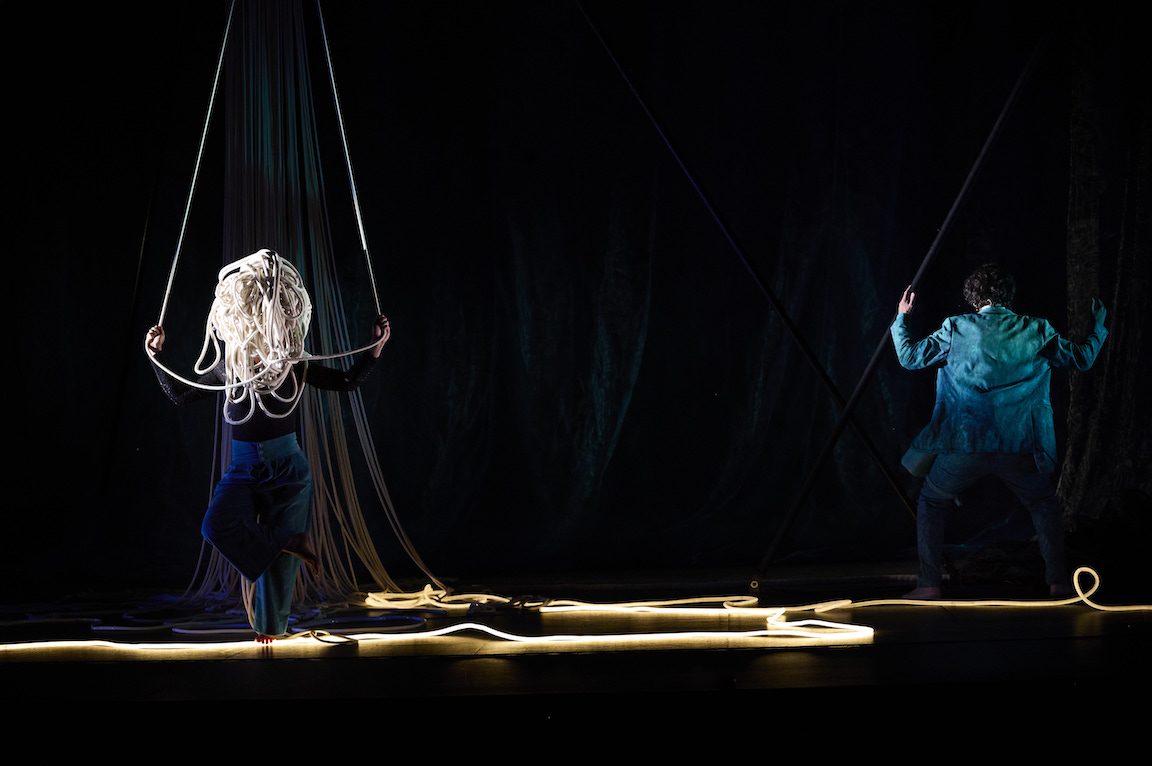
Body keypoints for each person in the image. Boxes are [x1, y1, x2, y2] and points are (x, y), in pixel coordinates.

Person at [146, 249, 390, 641]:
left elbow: (346, 382)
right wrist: (156, 357)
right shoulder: (231, 365)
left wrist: (375, 349)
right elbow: (180, 395)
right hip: (244, 468)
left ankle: (271, 629)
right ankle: (290, 541)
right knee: (216, 525)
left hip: (288, 467)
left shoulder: (294, 362)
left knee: (281, 568)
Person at [890, 263, 1108, 599]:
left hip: (966, 444)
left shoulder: (956, 328)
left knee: (932, 503)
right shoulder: (1036, 329)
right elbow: (1082, 359)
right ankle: (1059, 583)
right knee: (1044, 506)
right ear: (1008, 295)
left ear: (973, 298)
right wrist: (1099, 327)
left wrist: (902, 318)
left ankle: (928, 585)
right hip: (1018, 446)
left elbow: (909, 357)